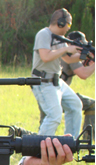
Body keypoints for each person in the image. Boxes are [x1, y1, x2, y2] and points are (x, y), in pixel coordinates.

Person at [31, 8, 83, 138]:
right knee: (54, 116)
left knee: (75, 106)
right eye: (69, 24)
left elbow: (68, 58)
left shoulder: (61, 39)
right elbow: (45, 56)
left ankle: (70, 143)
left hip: (56, 81)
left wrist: (85, 56)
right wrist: (66, 48)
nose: (69, 28)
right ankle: (39, 149)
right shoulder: (44, 34)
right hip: (43, 81)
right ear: (60, 23)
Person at [39, 31, 95, 139]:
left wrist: (89, 61)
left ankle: (23, 134)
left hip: (49, 93)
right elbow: (83, 74)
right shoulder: (70, 55)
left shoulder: (63, 52)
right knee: (92, 105)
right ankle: (87, 141)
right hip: (54, 94)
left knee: (44, 132)